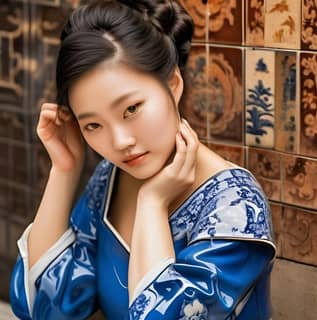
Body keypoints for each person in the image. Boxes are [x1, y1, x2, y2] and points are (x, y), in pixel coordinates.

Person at [9, 1, 276, 319]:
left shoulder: (235, 206)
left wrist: (152, 203)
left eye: (132, 108)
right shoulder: (110, 179)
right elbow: (49, 308)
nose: (120, 142)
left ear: (173, 84)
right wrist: (64, 170)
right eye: (93, 125)